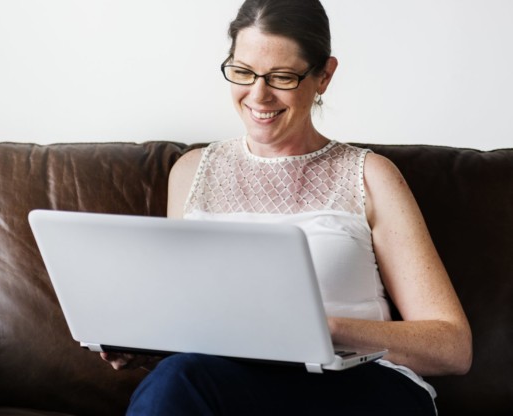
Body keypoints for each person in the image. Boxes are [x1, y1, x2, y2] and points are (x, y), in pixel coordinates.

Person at [101, 0, 472, 414]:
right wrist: (150, 341)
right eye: (242, 72)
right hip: (231, 381)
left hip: (357, 383)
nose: (258, 95)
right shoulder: (192, 173)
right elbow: (188, 312)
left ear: (324, 76)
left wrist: (321, 329)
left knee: (180, 381)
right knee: (176, 377)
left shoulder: (369, 175)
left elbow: (452, 347)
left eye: (281, 77)